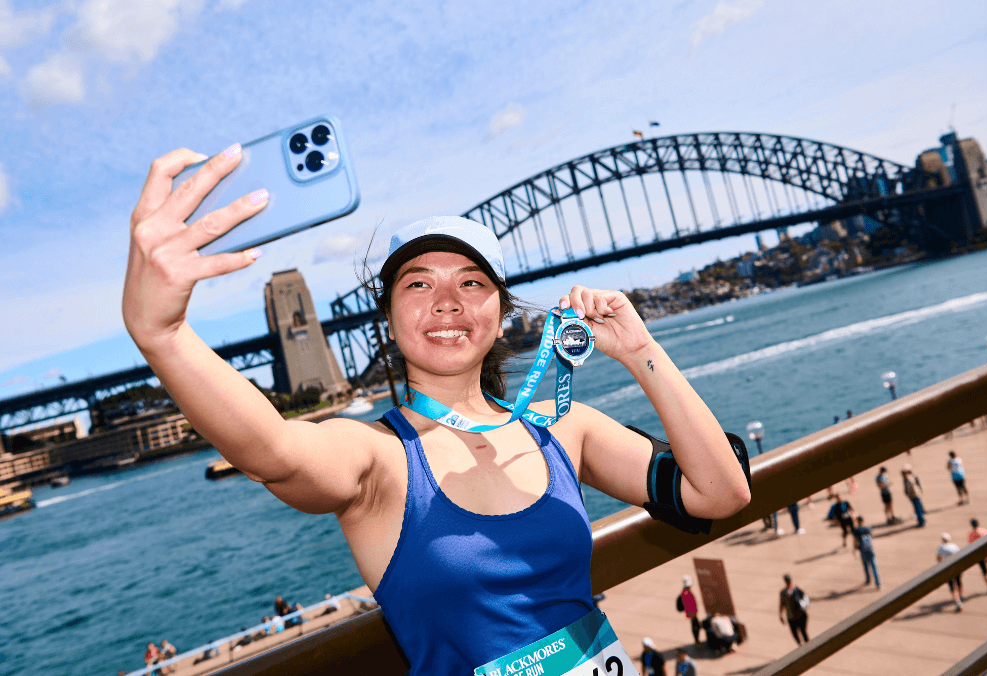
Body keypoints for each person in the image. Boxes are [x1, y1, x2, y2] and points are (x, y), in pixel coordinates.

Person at [121, 152, 751, 676]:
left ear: (500, 313)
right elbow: (274, 452)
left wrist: (641, 351)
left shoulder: (564, 429)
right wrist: (164, 334)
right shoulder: (378, 459)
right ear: (389, 321)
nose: (447, 300)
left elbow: (719, 493)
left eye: (472, 283)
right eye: (418, 284)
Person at [967, 518, 987, 593]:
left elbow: (971, 546)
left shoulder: (970, 534)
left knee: (985, 572)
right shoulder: (984, 531)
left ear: (971, 525)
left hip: (980, 556)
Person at [779, 574, 809, 645]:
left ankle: (806, 646)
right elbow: (782, 604)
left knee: (802, 633)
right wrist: (781, 615)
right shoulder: (784, 592)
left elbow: (805, 598)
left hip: (797, 616)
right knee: (798, 635)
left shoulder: (794, 590)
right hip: (793, 617)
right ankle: (803, 646)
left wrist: (804, 605)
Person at [937, 533, 964, 612]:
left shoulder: (940, 548)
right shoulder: (954, 546)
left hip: (947, 569)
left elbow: (938, 559)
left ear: (942, 540)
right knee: (959, 583)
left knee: (952, 587)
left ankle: (958, 602)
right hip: (957, 567)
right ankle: (961, 597)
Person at [851, 516, 880, 588]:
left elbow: (855, 541)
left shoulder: (856, 531)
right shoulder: (867, 529)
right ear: (863, 521)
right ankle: (877, 583)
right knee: (873, 566)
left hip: (863, 550)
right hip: (870, 549)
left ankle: (868, 580)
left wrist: (854, 549)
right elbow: (872, 534)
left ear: (857, 521)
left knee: (865, 566)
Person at [677, 576, 701, 645]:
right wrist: (692, 615)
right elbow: (688, 605)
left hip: (692, 613)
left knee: (696, 626)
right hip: (692, 614)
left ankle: (697, 640)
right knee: (696, 626)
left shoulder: (686, 591)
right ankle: (697, 640)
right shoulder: (686, 593)